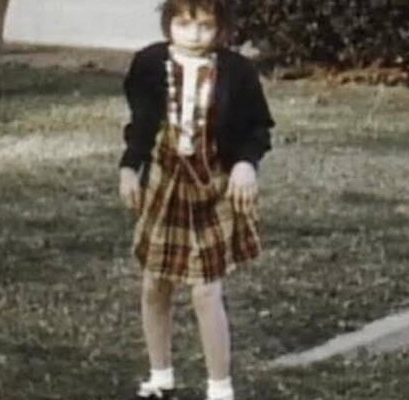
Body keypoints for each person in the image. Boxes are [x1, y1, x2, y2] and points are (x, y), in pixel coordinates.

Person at [118, 0, 275, 399]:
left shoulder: (237, 72)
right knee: (155, 284)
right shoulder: (149, 64)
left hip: (213, 184)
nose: (194, 34)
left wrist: (245, 164)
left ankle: (220, 387)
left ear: (221, 28)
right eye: (184, 23)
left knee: (206, 290)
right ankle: (161, 377)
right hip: (165, 181)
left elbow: (257, 127)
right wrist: (129, 167)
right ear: (168, 21)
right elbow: (141, 124)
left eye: (205, 25)